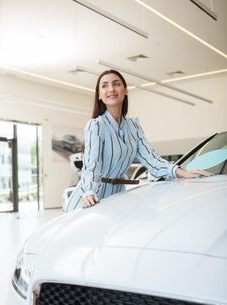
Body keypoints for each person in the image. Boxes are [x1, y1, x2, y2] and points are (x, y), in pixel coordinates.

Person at [66, 69, 211, 212]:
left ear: (125, 90)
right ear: (99, 95)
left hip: (116, 197)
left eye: (116, 84)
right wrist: (89, 191)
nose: (111, 89)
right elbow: (92, 166)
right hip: (89, 198)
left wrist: (180, 171)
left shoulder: (133, 126)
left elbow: (152, 160)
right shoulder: (96, 125)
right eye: (104, 86)